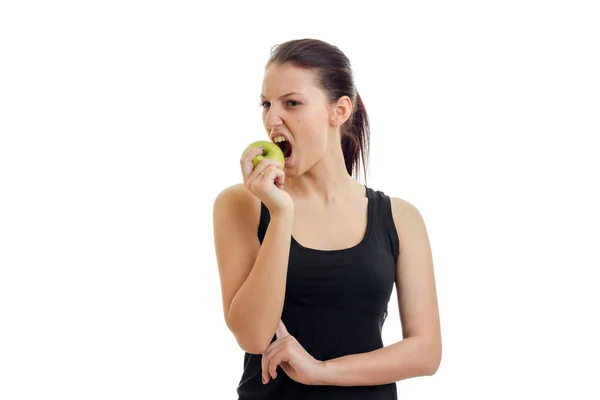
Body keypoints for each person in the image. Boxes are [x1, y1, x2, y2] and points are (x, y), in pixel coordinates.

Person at [212, 38, 442, 399]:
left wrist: (321, 372)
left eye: (292, 103)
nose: (273, 120)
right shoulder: (242, 204)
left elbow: (426, 353)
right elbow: (253, 336)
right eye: (266, 104)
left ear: (339, 111)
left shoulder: (400, 218)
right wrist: (281, 214)